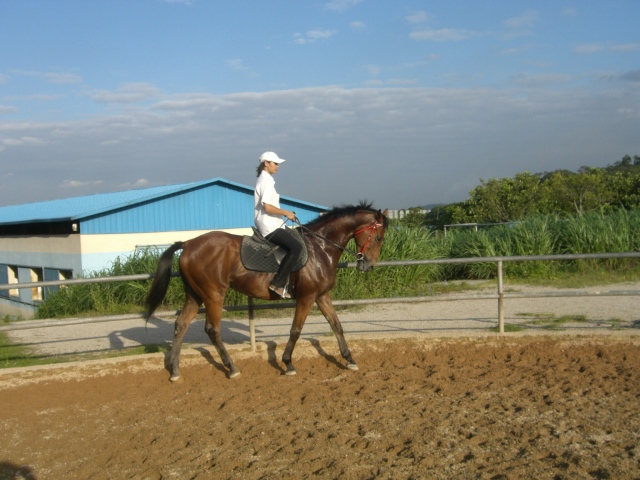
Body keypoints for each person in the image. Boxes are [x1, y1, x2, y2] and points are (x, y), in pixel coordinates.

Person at [254, 151, 303, 299]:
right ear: (266, 164)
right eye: (275, 163)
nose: (277, 166)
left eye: (277, 164)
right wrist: (286, 212)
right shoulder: (266, 182)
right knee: (296, 247)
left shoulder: (267, 180)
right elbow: (267, 207)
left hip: (274, 223)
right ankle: (278, 283)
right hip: (269, 226)